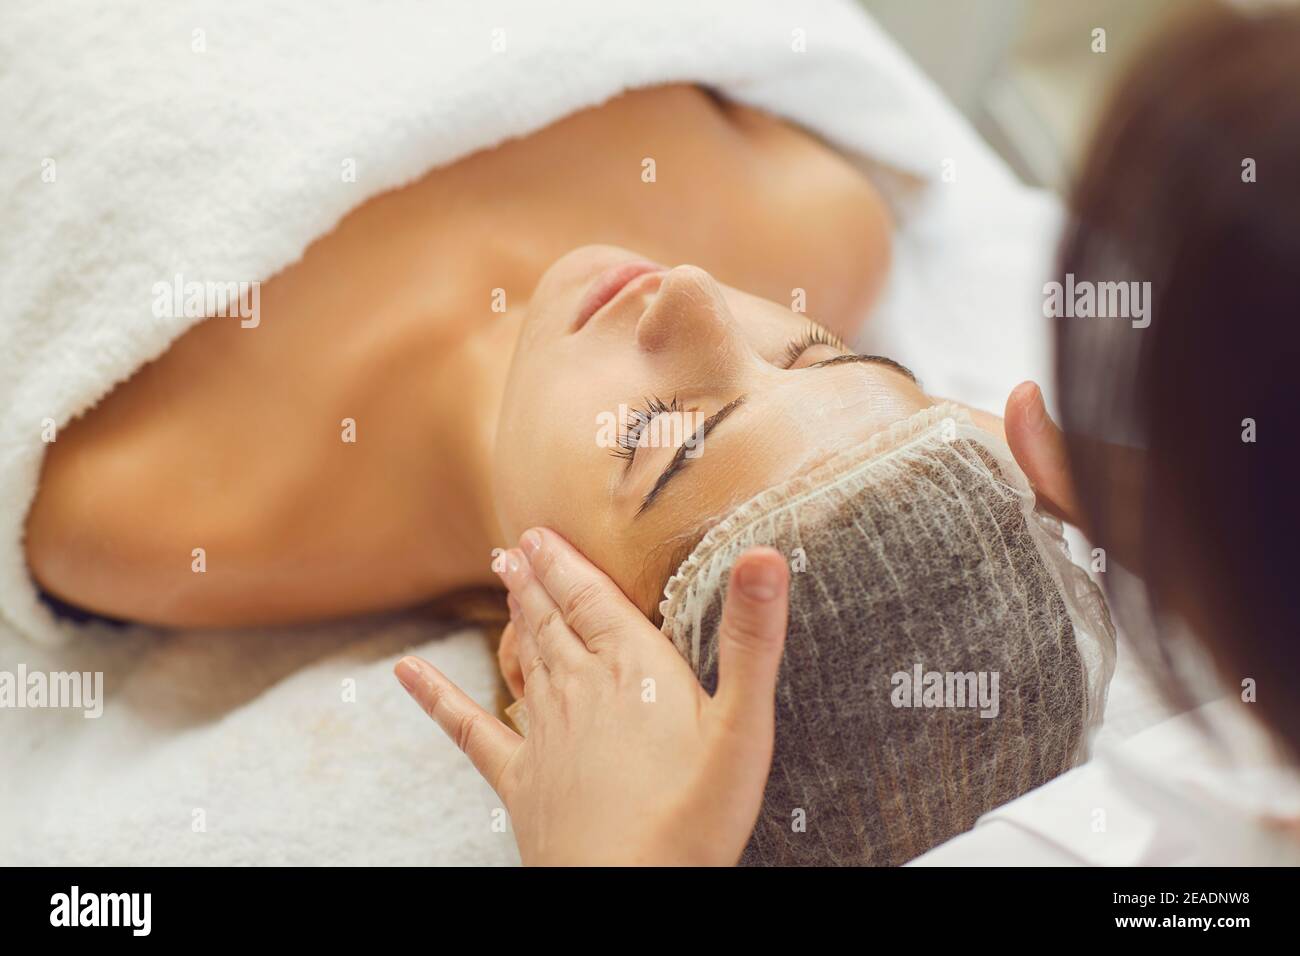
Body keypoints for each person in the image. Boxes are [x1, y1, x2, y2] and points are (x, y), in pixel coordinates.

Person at [397, 1, 1300, 864]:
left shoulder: (253, 516)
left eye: (657, 437)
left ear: (542, 660)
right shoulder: (820, 224)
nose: (693, 292)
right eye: (820, 356)